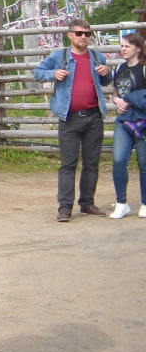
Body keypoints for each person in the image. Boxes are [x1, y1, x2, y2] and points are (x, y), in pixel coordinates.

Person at [33, 18, 113, 221]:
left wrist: (107, 73)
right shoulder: (59, 57)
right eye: (79, 33)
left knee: (91, 162)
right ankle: (65, 207)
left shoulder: (97, 57)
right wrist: (54, 73)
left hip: (94, 117)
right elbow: (37, 72)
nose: (84, 37)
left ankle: (87, 203)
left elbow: (106, 80)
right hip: (69, 118)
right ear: (70, 35)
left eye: (87, 34)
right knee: (68, 164)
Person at [109, 31, 146, 219]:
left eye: (127, 46)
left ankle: (145, 203)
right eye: (122, 46)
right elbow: (115, 93)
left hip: (142, 122)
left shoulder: (144, 68)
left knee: (144, 162)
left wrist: (131, 100)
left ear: (138, 48)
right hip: (123, 120)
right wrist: (117, 101)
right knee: (118, 160)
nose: (123, 49)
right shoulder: (120, 68)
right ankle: (121, 202)